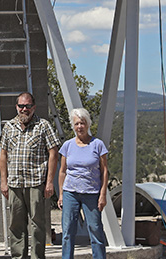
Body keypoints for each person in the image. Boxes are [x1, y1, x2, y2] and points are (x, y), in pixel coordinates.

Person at [0, 91, 59, 259]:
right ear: (16, 107)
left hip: (36, 183)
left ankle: (37, 257)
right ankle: (19, 256)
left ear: (34, 107)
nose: (24, 109)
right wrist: (3, 182)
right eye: (21, 106)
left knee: (37, 224)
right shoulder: (9, 126)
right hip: (15, 184)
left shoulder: (43, 125)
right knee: (16, 224)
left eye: (28, 106)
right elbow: (3, 155)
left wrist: (49, 183)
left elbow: (53, 153)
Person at [57, 108, 109, 259]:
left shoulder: (98, 145)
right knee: (67, 231)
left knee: (95, 229)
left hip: (91, 193)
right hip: (70, 193)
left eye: (83, 123)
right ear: (73, 126)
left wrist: (103, 194)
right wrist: (61, 194)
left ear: (88, 124)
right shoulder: (67, 145)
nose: (80, 126)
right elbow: (62, 171)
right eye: (77, 123)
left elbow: (104, 171)